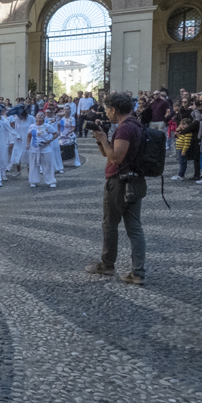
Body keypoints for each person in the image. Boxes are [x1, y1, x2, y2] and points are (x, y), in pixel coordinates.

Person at [85, 92, 146, 285]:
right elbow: (108, 154)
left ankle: (107, 265)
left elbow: (115, 158)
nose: (106, 114)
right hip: (135, 180)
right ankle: (138, 271)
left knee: (110, 225)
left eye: (106, 110)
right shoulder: (135, 124)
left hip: (119, 182)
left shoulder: (125, 129)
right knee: (135, 228)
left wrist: (104, 139)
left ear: (113, 110)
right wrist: (100, 139)